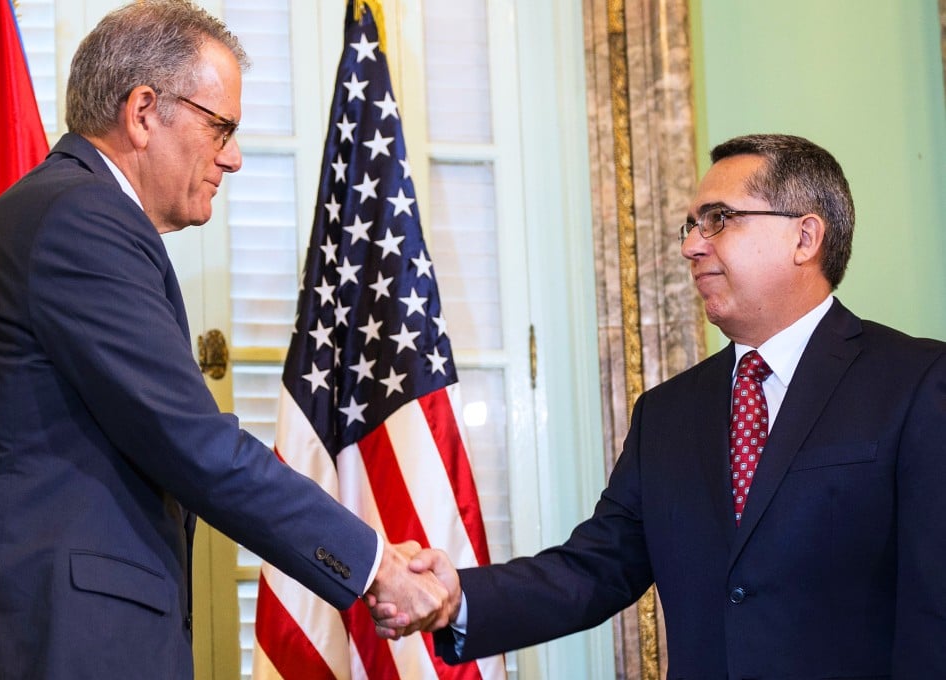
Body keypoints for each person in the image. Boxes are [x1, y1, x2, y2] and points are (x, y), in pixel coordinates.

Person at [0, 2, 453, 678]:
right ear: (144, 110)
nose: (232, 158)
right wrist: (376, 565)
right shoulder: (80, 220)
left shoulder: (69, 213)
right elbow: (198, 446)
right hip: (57, 644)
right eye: (221, 127)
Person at [373, 134, 946, 678]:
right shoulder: (667, 414)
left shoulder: (917, 382)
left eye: (719, 219)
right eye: (691, 226)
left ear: (804, 237)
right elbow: (595, 569)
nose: (691, 245)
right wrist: (457, 597)